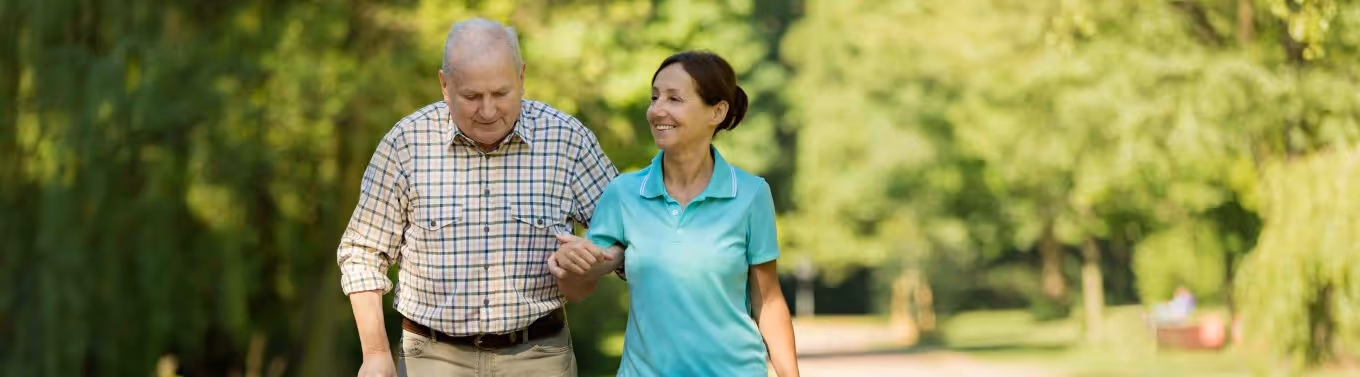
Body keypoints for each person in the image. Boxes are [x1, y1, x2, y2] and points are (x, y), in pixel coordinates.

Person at [336, 17, 617, 377]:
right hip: (431, 358)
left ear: (522, 78)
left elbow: (625, 232)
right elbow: (362, 252)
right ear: (444, 85)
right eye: (471, 96)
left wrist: (595, 263)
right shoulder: (406, 144)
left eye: (501, 93)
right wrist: (375, 353)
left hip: (539, 356)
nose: (487, 111)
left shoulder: (567, 140)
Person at [549, 51, 800, 376]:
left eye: (674, 98)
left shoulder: (751, 194)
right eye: (654, 97)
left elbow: (768, 300)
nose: (657, 110)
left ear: (717, 111)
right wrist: (573, 266)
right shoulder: (624, 193)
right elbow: (578, 290)